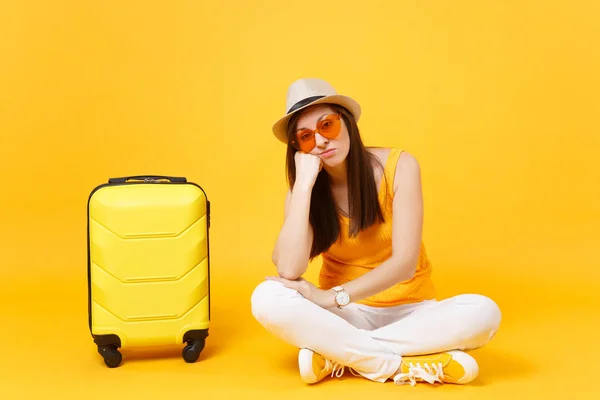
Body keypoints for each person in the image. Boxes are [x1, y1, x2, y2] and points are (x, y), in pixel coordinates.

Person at [250, 78, 502, 386]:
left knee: (483, 313)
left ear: (347, 122)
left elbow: (404, 263)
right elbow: (289, 268)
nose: (320, 141)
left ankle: (338, 355)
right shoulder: (306, 186)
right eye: (305, 137)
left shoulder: (400, 166)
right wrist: (303, 186)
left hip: (412, 312)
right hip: (346, 317)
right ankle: (398, 364)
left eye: (326, 125)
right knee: (266, 297)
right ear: (297, 148)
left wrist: (330, 298)